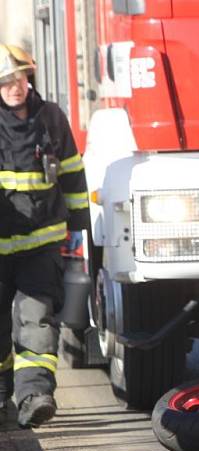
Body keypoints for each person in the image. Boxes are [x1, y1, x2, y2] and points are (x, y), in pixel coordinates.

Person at [0, 44, 89, 427]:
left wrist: (80, 223)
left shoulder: (51, 118)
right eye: (5, 81)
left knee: (36, 319)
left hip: (42, 244)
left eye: (18, 78)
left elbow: (71, 170)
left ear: (28, 78)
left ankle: (34, 395)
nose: (14, 87)